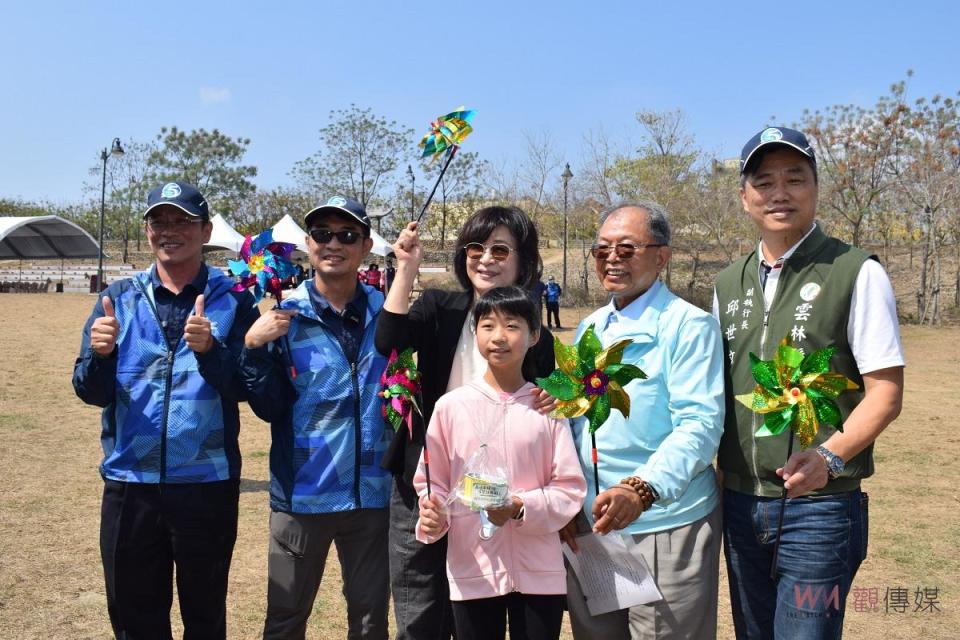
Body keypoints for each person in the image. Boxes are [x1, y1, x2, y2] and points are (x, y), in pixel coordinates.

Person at [714, 127, 905, 639]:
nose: (780, 193)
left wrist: (829, 458)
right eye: (764, 181)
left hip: (820, 509)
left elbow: (885, 392)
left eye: (795, 178)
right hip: (739, 501)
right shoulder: (725, 283)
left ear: (816, 186)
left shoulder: (854, 270)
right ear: (744, 196)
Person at [72, 181, 259, 639]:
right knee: (134, 617)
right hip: (130, 483)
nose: (169, 231)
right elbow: (90, 391)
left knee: (204, 614)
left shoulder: (235, 299)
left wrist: (212, 350)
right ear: (148, 230)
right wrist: (102, 355)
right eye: (160, 221)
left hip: (206, 486)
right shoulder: (119, 297)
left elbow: (248, 388)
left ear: (206, 230)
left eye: (183, 221)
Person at [375, 205, 557, 640]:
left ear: (523, 262)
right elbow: (388, 340)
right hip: (428, 484)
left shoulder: (538, 337)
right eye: (475, 248)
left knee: (481, 607)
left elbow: (547, 410)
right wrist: (406, 268)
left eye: (500, 249)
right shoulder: (441, 307)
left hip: (497, 491)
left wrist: (556, 397)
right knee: (421, 604)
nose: (486, 258)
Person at [562, 201, 726, 639]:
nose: (612, 258)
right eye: (602, 250)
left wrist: (641, 489)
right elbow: (577, 419)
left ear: (662, 256)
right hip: (593, 527)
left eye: (627, 248)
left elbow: (700, 424)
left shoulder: (690, 327)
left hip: (663, 525)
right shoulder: (590, 328)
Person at [241, 195, 392, 639]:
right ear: (308, 243)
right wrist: (252, 351)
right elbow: (268, 407)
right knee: (286, 618)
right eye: (323, 234)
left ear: (365, 245)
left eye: (347, 235)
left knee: (369, 621)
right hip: (302, 497)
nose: (334, 244)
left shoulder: (390, 315)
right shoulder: (285, 318)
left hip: (372, 495)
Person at [416, 286, 586, 640]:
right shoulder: (451, 407)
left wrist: (520, 507)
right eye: (488, 325)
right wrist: (433, 512)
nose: (499, 337)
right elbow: (433, 482)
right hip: (473, 567)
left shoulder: (548, 408)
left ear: (535, 334)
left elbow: (569, 488)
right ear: (474, 332)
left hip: (540, 573)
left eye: (512, 326)